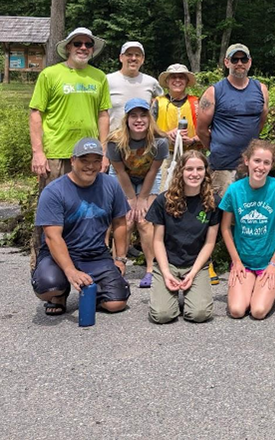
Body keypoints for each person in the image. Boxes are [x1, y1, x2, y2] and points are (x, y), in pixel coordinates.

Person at [28, 26, 110, 266]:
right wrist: (38, 152)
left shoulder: (99, 77)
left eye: (88, 44)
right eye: (78, 43)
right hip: (56, 154)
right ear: (67, 48)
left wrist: (103, 152)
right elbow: (35, 114)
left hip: (89, 157)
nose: (83, 48)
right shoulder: (50, 75)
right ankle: (44, 267)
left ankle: (83, 262)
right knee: (51, 214)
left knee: (86, 212)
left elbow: (103, 115)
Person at [30, 138, 130, 316]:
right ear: (72, 160)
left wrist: (120, 258)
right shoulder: (54, 191)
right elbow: (53, 237)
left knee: (116, 303)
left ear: (102, 162)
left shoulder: (111, 185)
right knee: (49, 286)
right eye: (84, 160)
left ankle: (95, 290)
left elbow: (120, 223)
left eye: (96, 161)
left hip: (95, 253)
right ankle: (60, 294)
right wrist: (70, 271)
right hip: (59, 254)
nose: (90, 166)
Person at [220, 140, 275, 320]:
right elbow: (225, 229)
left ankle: (268, 290)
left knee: (258, 311)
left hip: (269, 261)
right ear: (247, 161)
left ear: (271, 165)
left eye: (266, 163)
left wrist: (274, 263)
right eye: (257, 161)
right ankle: (251, 285)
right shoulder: (234, 190)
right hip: (244, 261)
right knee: (237, 310)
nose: (261, 167)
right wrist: (236, 261)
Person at [146, 151, 220, 323]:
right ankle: (167, 293)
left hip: (196, 263)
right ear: (180, 171)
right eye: (189, 169)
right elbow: (157, 241)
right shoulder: (163, 200)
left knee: (199, 314)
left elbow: (210, 243)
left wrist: (193, 273)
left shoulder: (213, 201)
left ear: (205, 172)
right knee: (162, 316)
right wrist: (165, 272)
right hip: (168, 262)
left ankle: (192, 293)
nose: (195, 174)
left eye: (199, 169)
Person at [107, 98, 169, 289]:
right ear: (126, 119)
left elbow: (153, 171)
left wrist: (142, 199)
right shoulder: (115, 142)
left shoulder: (160, 142)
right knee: (125, 219)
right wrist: (131, 200)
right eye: (134, 116)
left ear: (150, 118)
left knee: (144, 219)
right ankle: (119, 264)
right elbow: (120, 171)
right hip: (121, 176)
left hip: (147, 177)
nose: (139, 120)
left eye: (143, 115)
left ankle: (151, 268)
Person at [197, 43, 269, 198]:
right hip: (222, 166)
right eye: (234, 59)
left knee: (248, 212)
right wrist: (218, 146)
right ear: (226, 62)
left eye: (243, 59)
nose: (239, 63)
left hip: (252, 166)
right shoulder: (213, 92)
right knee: (221, 211)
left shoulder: (261, 89)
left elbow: (261, 121)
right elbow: (201, 129)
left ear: (249, 62)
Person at [106, 41, 163, 131]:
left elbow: (163, 108)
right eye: (129, 54)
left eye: (137, 55)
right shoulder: (107, 81)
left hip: (143, 141)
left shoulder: (152, 83)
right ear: (121, 57)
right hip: (114, 140)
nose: (133, 58)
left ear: (142, 59)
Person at [153, 63, 201, 163]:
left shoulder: (197, 102)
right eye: (173, 77)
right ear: (167, 81)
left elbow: (209, 129)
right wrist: (166, 135)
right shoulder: (157, 102)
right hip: (164, 155)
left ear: (187, 81)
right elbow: (148, 129)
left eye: (181, 77)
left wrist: (193, 140)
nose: (177, 80)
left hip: (193, 154)